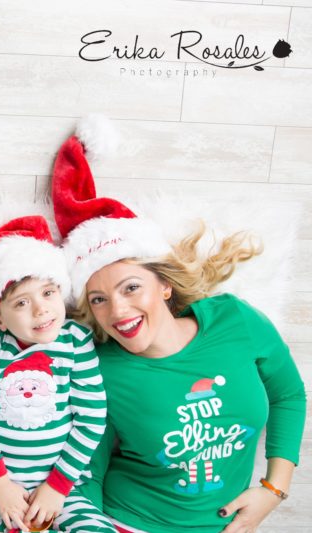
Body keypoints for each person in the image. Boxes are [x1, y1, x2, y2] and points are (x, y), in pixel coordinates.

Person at [50, 116, 307, 533]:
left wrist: (274, 490)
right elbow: (89, 469)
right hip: (128, 522)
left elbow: (288, 394)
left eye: (131, 287)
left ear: (165, 285)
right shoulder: (99, 369)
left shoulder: (234, 320)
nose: (118, 311)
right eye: (99, 299)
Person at [0, 209, 115, 533]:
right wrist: (1, 485)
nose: (41, 309)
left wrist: (57, 487)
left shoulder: (75, 340)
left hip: (62, 486)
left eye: (48, 293)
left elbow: (91, 418)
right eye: (21, 303)